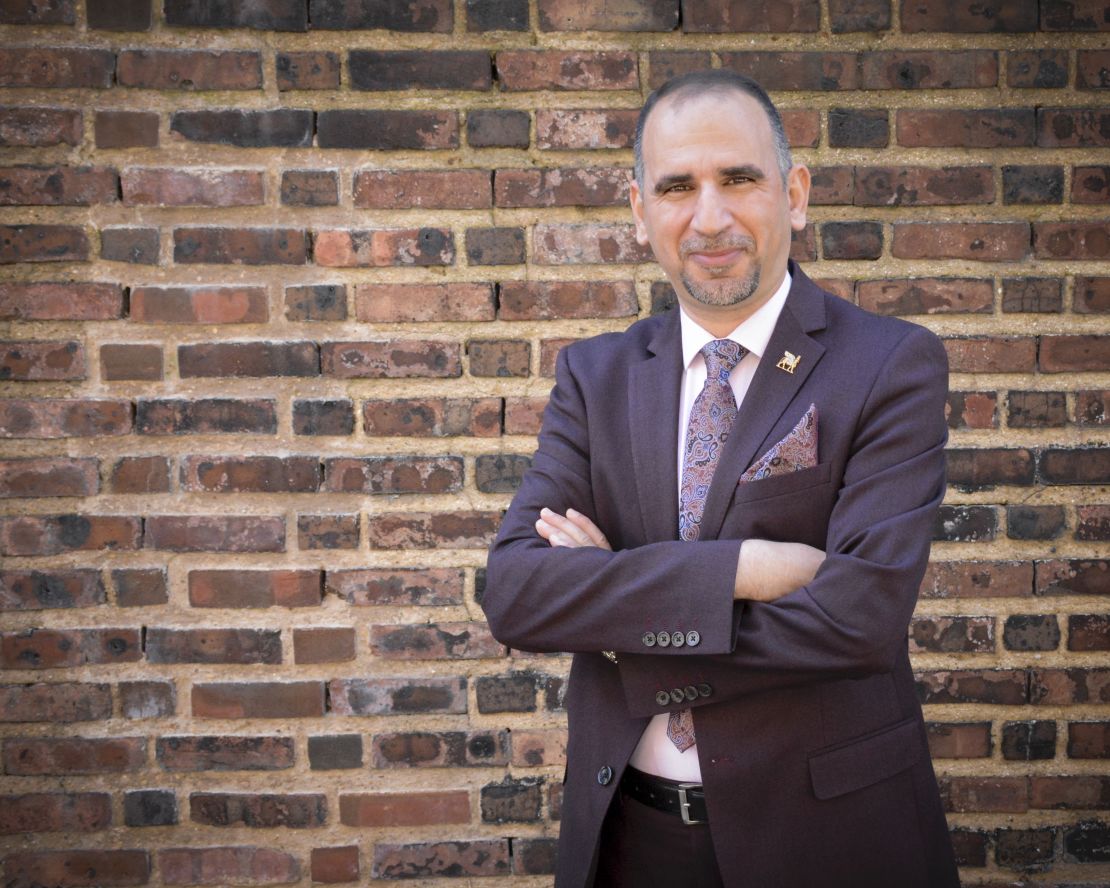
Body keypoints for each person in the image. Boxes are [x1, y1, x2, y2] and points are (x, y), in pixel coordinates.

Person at [482, 69, 959, 888]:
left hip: (825, 837)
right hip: (627, 838)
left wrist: (609, 607)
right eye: (676, 187)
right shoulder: (596, 378)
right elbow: (516, 592)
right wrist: (749, 570)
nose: (710, 217)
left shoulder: (888, 365)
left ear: (794, 194)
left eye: (737, 179)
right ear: (640, 212)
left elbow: (860, 619)